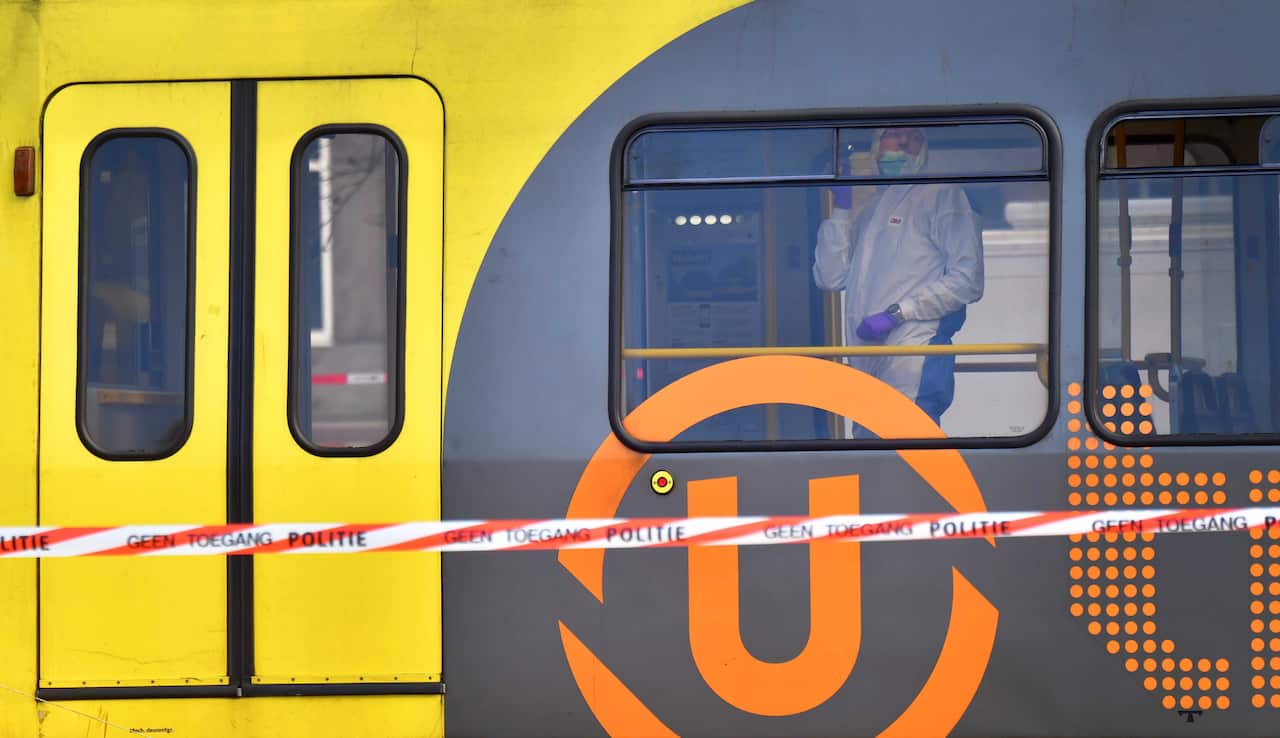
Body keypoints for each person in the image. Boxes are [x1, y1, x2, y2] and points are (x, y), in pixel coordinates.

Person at [813, 127, 984, 425]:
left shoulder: (942, 194)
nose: (904, 142)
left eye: (915, 137)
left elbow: (968, 279)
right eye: (893, 134)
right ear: (876, 146)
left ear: (924, 150)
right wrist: (841, 208)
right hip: (864, 358)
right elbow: (831, 277)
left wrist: (897, 314)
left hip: (913, 352)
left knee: (909, 442)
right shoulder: (872, 210)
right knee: (871, 447)